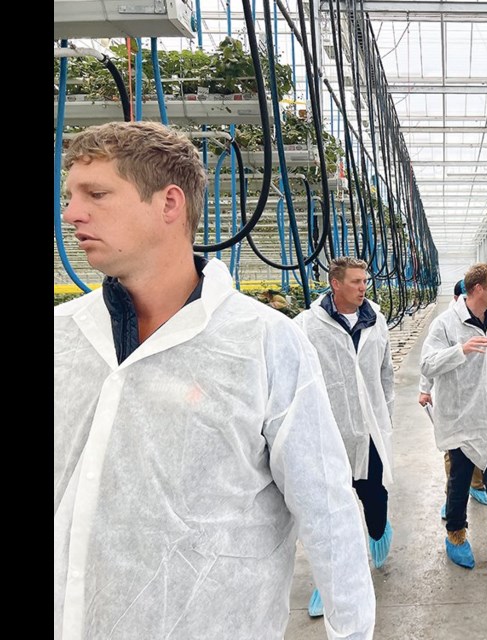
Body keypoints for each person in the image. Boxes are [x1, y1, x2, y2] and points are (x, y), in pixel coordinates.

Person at [54, 121, 375, 640]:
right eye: (70, 196)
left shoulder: (264, 342)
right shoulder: (62, 339)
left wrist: (353, 629)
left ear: (169, 203)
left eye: (96, 193)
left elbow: (326, 504)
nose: (71, 213)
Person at [295, 256, 396, 618]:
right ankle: (330, 583)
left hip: (369, 431)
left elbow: (385, 373)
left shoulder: (377, 320)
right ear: (335, 284)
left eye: (364, 281)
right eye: (355, 282)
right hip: (329, 431)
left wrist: (386, 415)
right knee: (331, 512)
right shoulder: (307, 325)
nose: (362, 287)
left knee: (374, 502)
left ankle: (380, 530)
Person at [420, 263, 487, 590]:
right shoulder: (446, 324)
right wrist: (460, 351)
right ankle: (455, 534)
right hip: (461, 418)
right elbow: (426, 363)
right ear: (478, 289)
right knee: (460, 481)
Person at [419, 280, 487, 512]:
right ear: (459, 297)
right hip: (454, 402)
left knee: (478, 446)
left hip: (478, 401)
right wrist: (424, 389)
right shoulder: (446, 323)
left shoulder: (483, 317)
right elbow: (429, 363)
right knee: (455, 454)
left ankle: (477, 485)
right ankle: (452, 500)